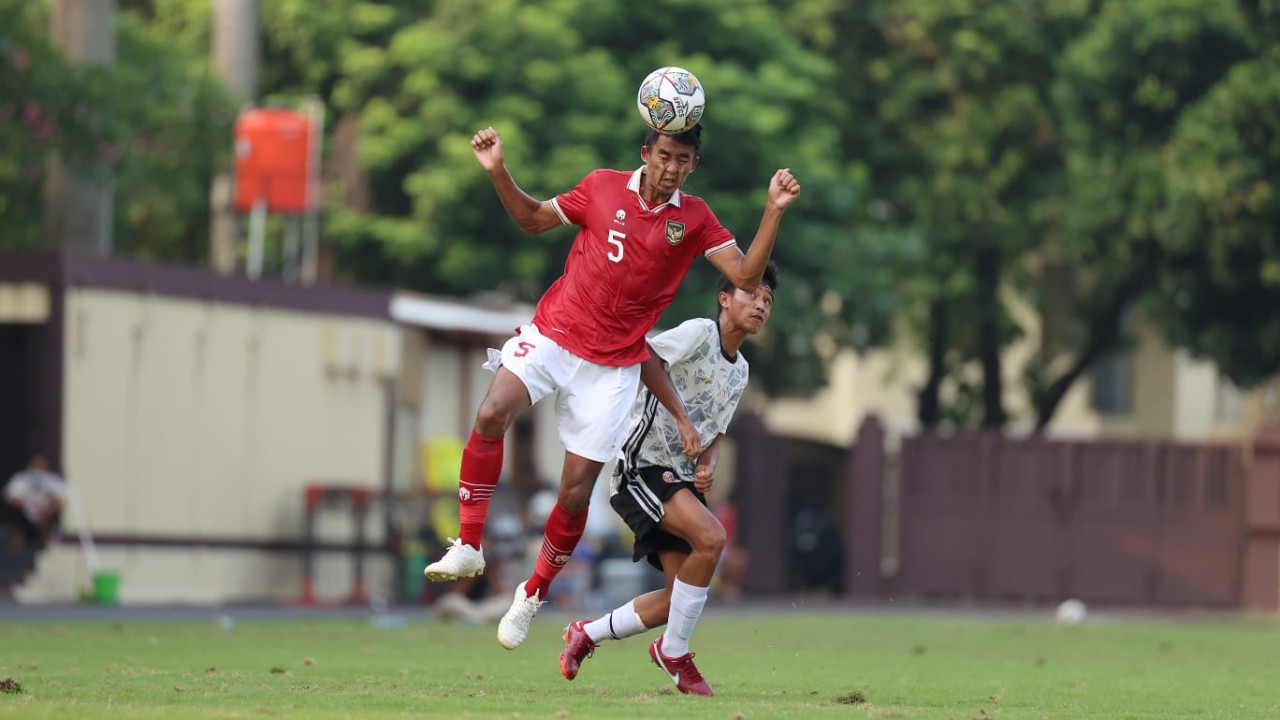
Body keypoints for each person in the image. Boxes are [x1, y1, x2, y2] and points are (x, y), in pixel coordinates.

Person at [423, 123, 800, 651]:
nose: (671, 167)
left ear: (692, 165)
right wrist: (498, 172)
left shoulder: (694, 219)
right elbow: (532, 220)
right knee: (492, 413)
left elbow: (743, 272)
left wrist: (773, 209)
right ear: (646, 153)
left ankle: (532, 594)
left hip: (614, 367)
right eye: (664, 155)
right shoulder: (600, 186)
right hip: (556, 332)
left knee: (574, 494)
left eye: (683, 159)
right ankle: (468, 542)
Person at [558, 262, 779, 696]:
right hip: (639, 464)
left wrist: (709, 462)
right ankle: (673, 653)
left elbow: (716, 431)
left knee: (676, 600)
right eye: (752, 294)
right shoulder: (699, 332)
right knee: (713, 540)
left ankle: (586, 633)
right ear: (724, 299)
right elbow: (646, 358)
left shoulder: (741, 371)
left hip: (676, 479)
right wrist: (681, 419)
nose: (760, 305)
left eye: (767, 301)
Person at [4, 453, 68, 551]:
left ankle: (46, 542)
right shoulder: (21, 479)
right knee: (15, 514)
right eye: (36, 465)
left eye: (40, 465)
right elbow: (10, 497)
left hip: (45, 511)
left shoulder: (52, 480)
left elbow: (60, 498)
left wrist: (47, 509)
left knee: (50, 517)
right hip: (24, 510)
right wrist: (26, 506)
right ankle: (18, 542)